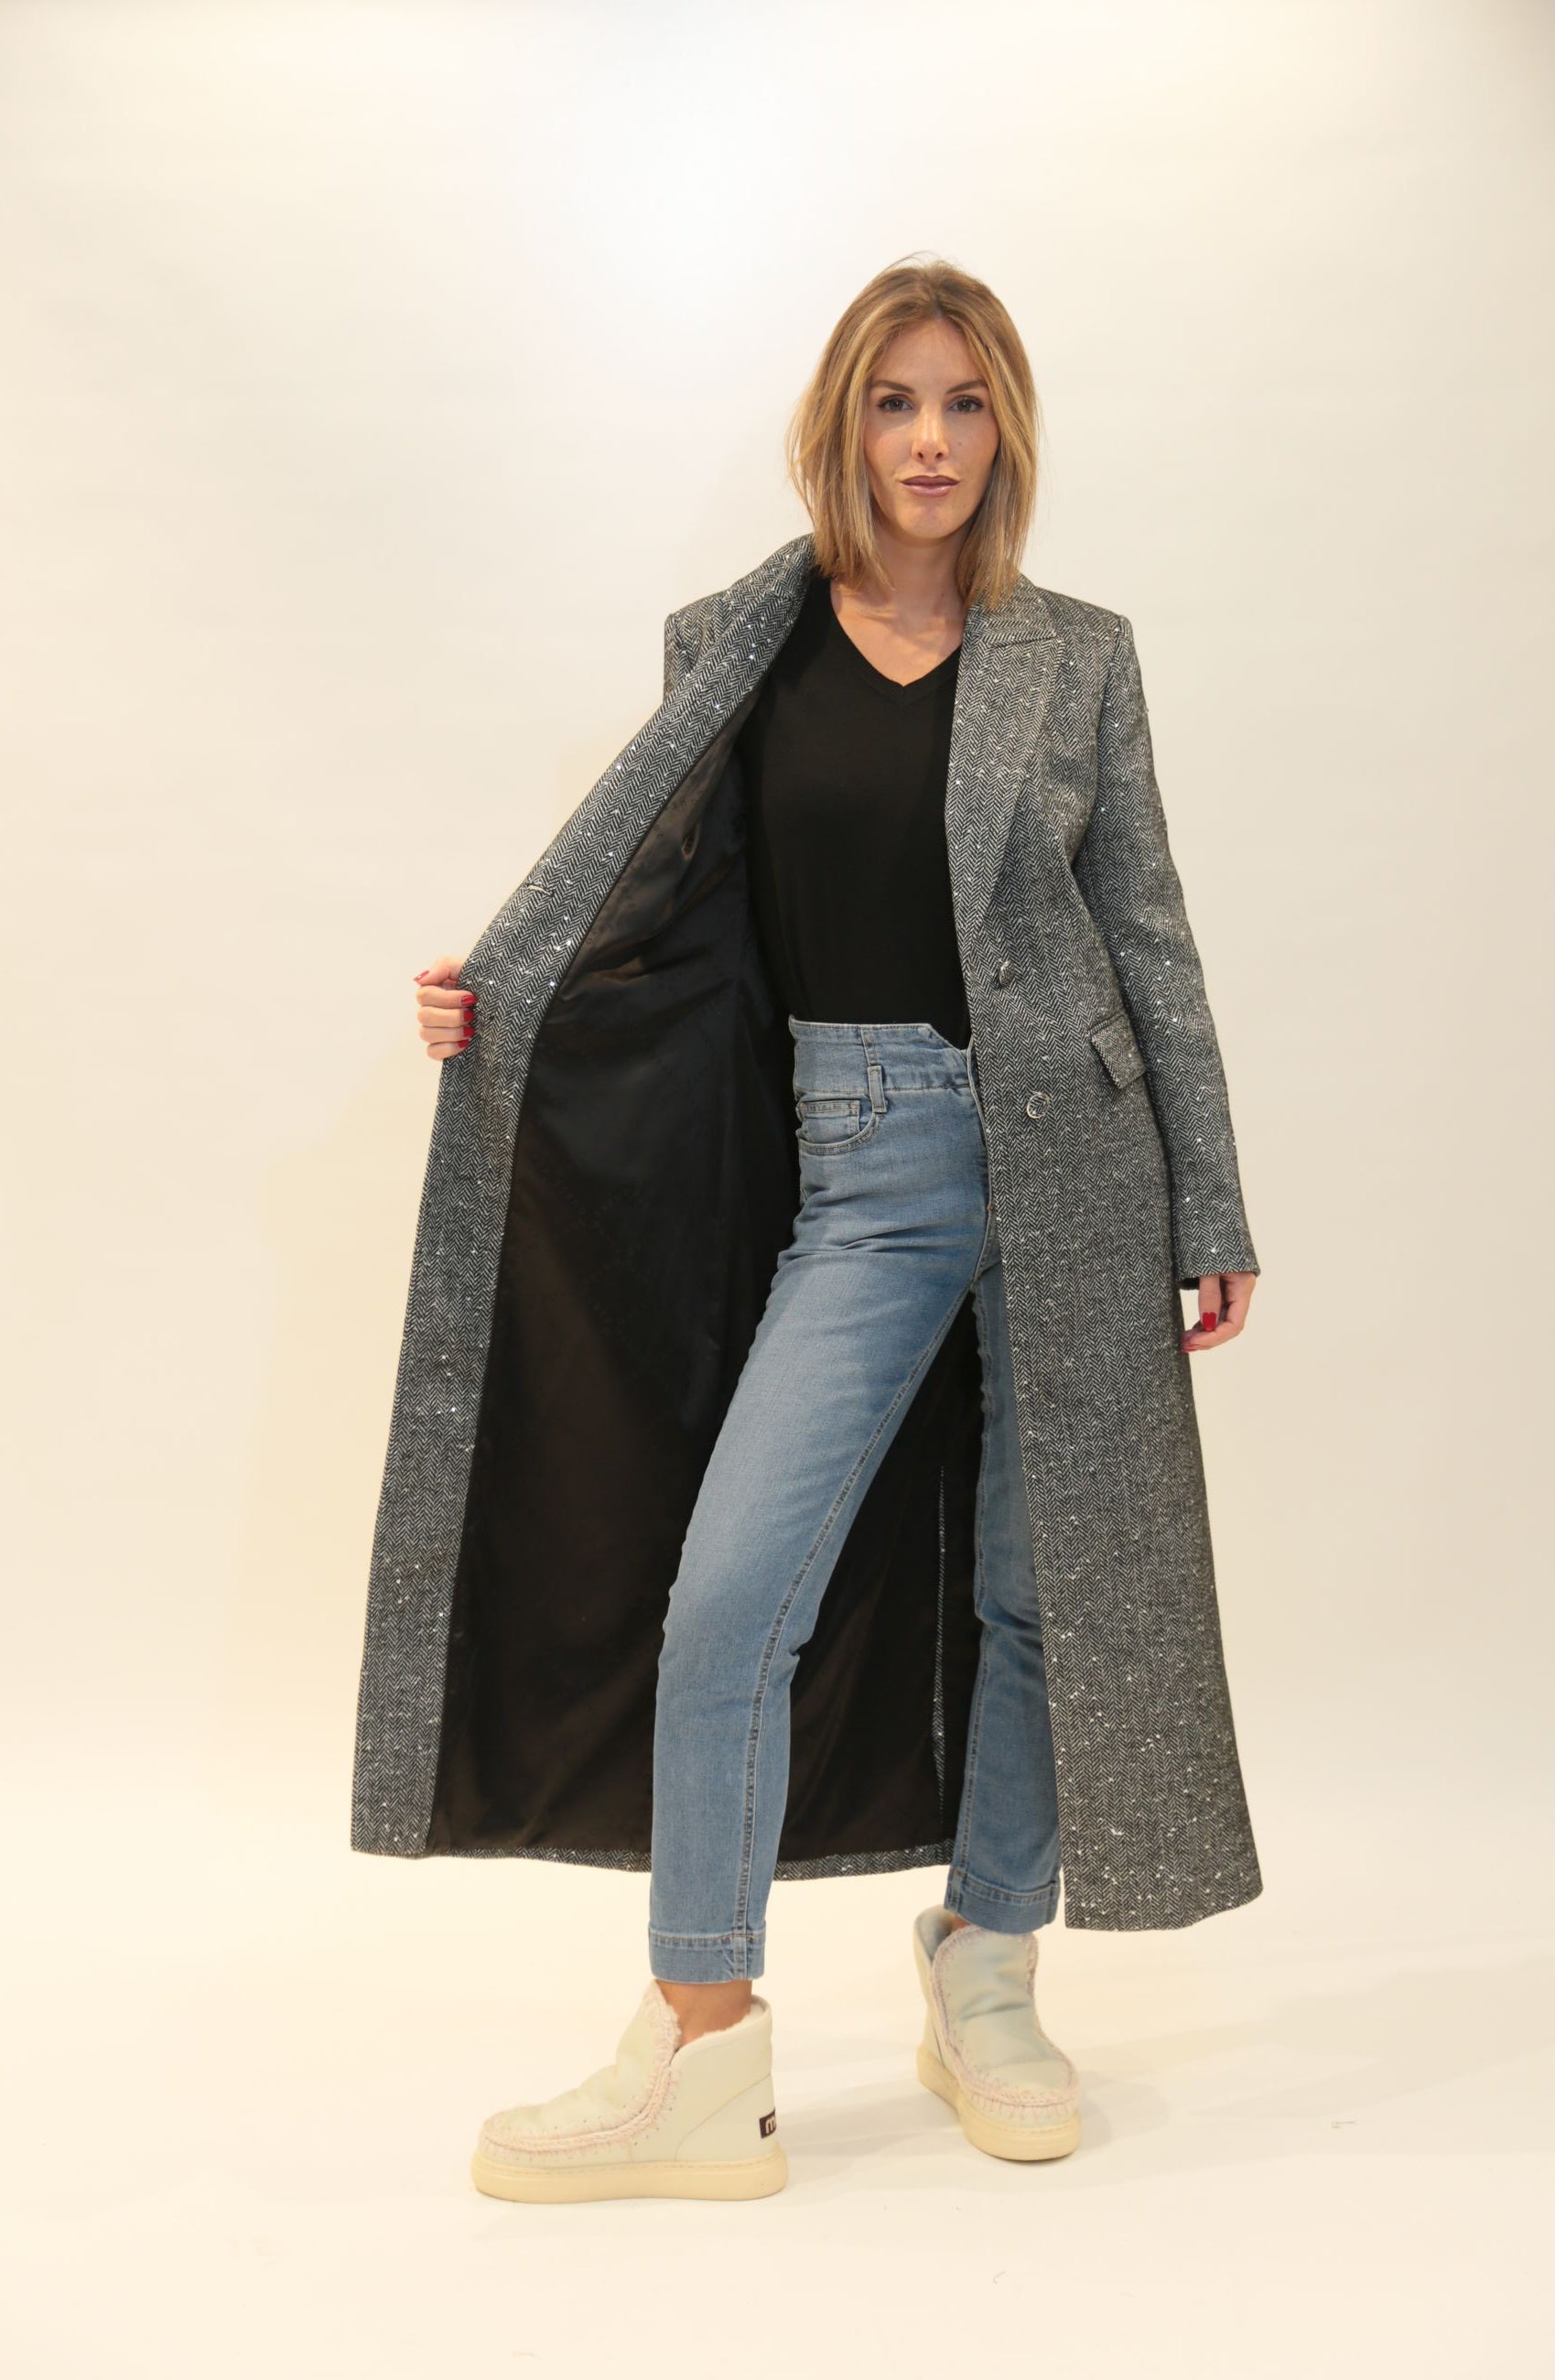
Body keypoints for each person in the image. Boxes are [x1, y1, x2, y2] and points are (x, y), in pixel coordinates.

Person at [385, 255, 1260, 2204]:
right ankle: (701, 2043)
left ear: (1003, 431)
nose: (929, 440)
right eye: (893, 400)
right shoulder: (736, 643)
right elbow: (654, 905)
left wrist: (1209, 1198)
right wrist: (499, 1004)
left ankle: (990, 1968)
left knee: (1041, 1595)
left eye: (964, 402)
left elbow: (1152, 938)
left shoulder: (1077, 658)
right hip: (862, 1162)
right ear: (840, 425)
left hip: (1078, 1166)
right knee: (730, 1596)